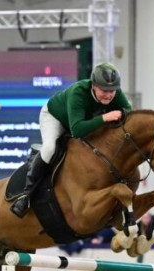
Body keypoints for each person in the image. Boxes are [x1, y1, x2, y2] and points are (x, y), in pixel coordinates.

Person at [11, 62, 132, 218]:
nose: (109, 95)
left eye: (112, 91)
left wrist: (122, 113)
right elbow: (77, 130)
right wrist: (105, 117)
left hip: (81, 121)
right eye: (104, 91)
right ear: (93, 86)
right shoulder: (79, 92)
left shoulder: (115, 93)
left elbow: (129, 111)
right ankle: (25, 196)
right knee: (50, 149)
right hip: (55, 118)